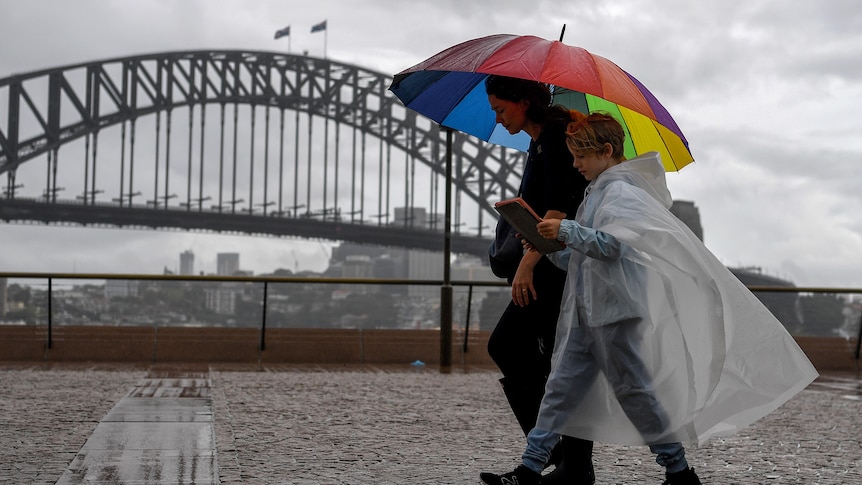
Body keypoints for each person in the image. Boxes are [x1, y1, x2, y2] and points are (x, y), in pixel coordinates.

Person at [480, 112, 818, 485]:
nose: (575, 164)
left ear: (607, 151)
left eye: (581, 156)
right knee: (558, 392)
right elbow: (583, 256)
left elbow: (612, 245)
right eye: (573, 156)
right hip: (586, 312)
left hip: (613, 314)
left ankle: (678, 471)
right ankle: (529, 469)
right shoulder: (599, 190)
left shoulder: (622, 191)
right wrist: (547, 248)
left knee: (637, 395)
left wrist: (567, 229)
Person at [484, 75, 594, 483]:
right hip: (554, 265)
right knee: (556, 363)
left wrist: (527, 264)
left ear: (525, 101)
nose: (497, 119)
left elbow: (558, 211)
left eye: (500, 109)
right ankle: (573, 466)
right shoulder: (542, 139)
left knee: (509, 345)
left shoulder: (552, 136)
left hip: (553, 269)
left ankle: (558, 454)